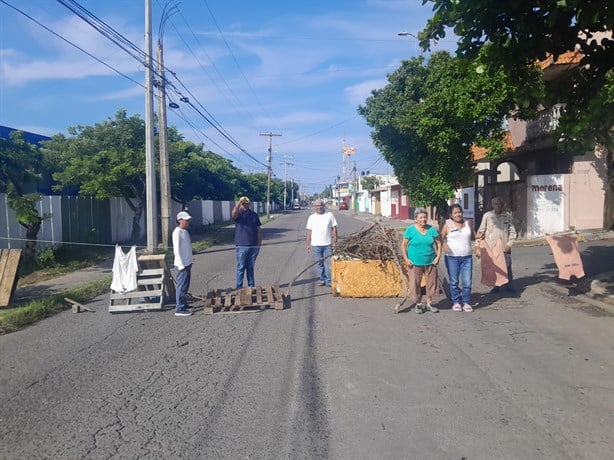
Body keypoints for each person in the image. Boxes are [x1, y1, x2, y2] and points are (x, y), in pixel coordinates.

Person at [399, 207, 442, 314]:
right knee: (415, 283)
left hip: (430, 262)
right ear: (416, 219)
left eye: (425, 217)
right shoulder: (410, 230)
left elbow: (439, 243)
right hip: (414, 262)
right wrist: (406, 258)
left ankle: (429, 303)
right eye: (421, 217)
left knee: (431, 283)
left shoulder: (431, 229)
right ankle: (418, 304)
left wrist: (438, 257)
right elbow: (403, 245)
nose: (423, 219)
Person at [441, 204, 478, 312]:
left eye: (459, 212)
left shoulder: (468, 223)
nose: (458, 214)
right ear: (451, 215)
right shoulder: (448, 224)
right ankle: (456, 302)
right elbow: (440, 238)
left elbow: (475, 237)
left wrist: (478, 244)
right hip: (452, 257)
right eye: (455, 213)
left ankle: (466, 302)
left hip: (467, 257)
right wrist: (444, 245)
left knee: (467, 281)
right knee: (454, 281)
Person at [477, 196, 518, 293]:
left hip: (504, 247)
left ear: (502, 205)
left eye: (499, 204)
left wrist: (509, 244)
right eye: (495, 204)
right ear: (492, 205)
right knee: (494, 267)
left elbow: (512, 232)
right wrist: (478, 244)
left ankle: (509, 285)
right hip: (492, 247)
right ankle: (496, 286)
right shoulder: (487, 216)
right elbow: (481, 230)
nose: (498, 206)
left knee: (507, 266)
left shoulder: (507, 216)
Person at [306, 199, 338, 287]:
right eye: (316, 206)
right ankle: (322, 279)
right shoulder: (312, 217)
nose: (318, 207)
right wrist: (308, 244)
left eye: (320, 205)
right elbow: (309, 231)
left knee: (328, 263)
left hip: (327, 244)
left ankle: (329, 280)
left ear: (323, 206)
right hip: (316, 245)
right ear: (314, 207)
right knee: (319, 263)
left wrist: (335, 242)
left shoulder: (329, 215)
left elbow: (334, 229)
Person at [232, 196, 262, 288]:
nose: (245, 206)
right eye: (243, 204)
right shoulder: (239, 215)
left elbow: (258, 228)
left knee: (250, 268)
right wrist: (238, 203)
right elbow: (233, 214)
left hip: (254, 246)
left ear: (249, 204)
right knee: (241, 267)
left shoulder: (254, 215)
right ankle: (239, 287)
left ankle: (251, 286)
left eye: (246, 204)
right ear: (241, 204)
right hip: (242, 245)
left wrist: (259, 243)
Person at [172, 211, 193, 316]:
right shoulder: (177, 232)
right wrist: (180, 266)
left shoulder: (185, 231)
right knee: (181, 286)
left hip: (187, 263)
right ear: (180, 220)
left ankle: (184, 304)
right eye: (186, 220)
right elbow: (176, 250)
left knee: (185, 286)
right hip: (182, 265)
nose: (188, 222)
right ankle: (179, 309)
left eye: (188, 220)